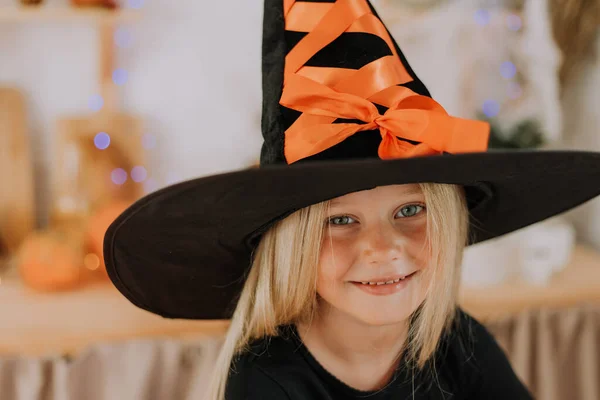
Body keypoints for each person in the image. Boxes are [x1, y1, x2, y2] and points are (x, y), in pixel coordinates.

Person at [102, 0, 600, 399]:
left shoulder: (451, 340)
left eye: (409, 210)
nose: (383, 248)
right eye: (340, 220)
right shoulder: (265, 382)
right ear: (291, 245)